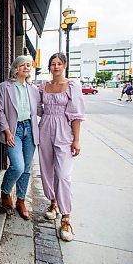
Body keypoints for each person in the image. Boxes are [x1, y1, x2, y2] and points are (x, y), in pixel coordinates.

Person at [38, 52, 85, 242]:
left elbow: (76, 116)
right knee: (47, 170)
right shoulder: (44, 86)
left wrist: (76, 140)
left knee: (63, 174)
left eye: (59, 63)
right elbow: (38, 108)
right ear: (49, 67)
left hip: (64, 132)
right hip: (45, 129)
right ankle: (53, 202)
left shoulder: (72, 86)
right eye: (52, 64)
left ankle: (66, 217)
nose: (55, 67)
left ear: (64, 65)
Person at [0, 55, 40, 220]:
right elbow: (0, 110)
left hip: (30, 129)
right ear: (15, 68)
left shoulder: (32, 88)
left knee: (27, 167)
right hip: (14, 130)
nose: (26, 68)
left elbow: (39, 109)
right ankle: (5, 191)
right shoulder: (5, 86)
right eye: (23, 65)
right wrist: (7, 131)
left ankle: (21, 201)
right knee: (18, 166)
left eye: (28, 65)